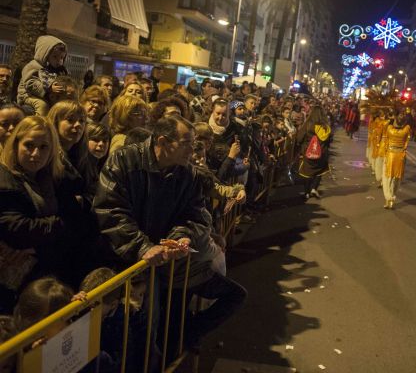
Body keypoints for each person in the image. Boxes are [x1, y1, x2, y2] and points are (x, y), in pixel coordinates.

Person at [94, 116, 245, 351]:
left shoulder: (188, 173)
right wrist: (143, 246)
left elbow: (193, 214)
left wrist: (182, 236)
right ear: (163, 142)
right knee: (140, 329)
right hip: (126, 259)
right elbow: (110, 210)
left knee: (158, 325)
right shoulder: (124, 160)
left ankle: (178, 344)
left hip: (167, 259)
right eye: (186, 143)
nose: (193, 150)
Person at [0, 116, 92, 299]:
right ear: (16, 144)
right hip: (16, 284)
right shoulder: (5, 177)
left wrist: (40, 245)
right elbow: (17, 229)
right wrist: (61, 224)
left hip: (52, 271)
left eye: (44, 147)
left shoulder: (55, 177)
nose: (35, 154)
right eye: (29, 145)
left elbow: (79, 223)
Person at [17, 35, 69, 116]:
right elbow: (30, 83)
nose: (59, 61)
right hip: (29, 95)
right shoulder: (33, 66)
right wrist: (49, 88)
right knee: (42, 106)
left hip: (47, 96)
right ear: (44, 55)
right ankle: (39, 124)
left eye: (62, 57)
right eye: (55, 57)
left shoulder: (57, 70)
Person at [297, 105, 332, 199]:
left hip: (308, 152)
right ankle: (314, 188)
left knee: (307, 172)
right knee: (319, 171)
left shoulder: (307, 125)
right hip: (322, 153)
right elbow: (329, 141)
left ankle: (307, 192)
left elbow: (299, 138)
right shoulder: (326, 127)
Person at [381, 111, 411, 209]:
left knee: (387, 178)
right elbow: (407, 141)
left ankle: (388, 198)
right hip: (401, 156)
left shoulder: (389, 128)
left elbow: (386, 141)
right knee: (397, 179)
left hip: (390, 155)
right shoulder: (407, 129)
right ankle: (391, 198)